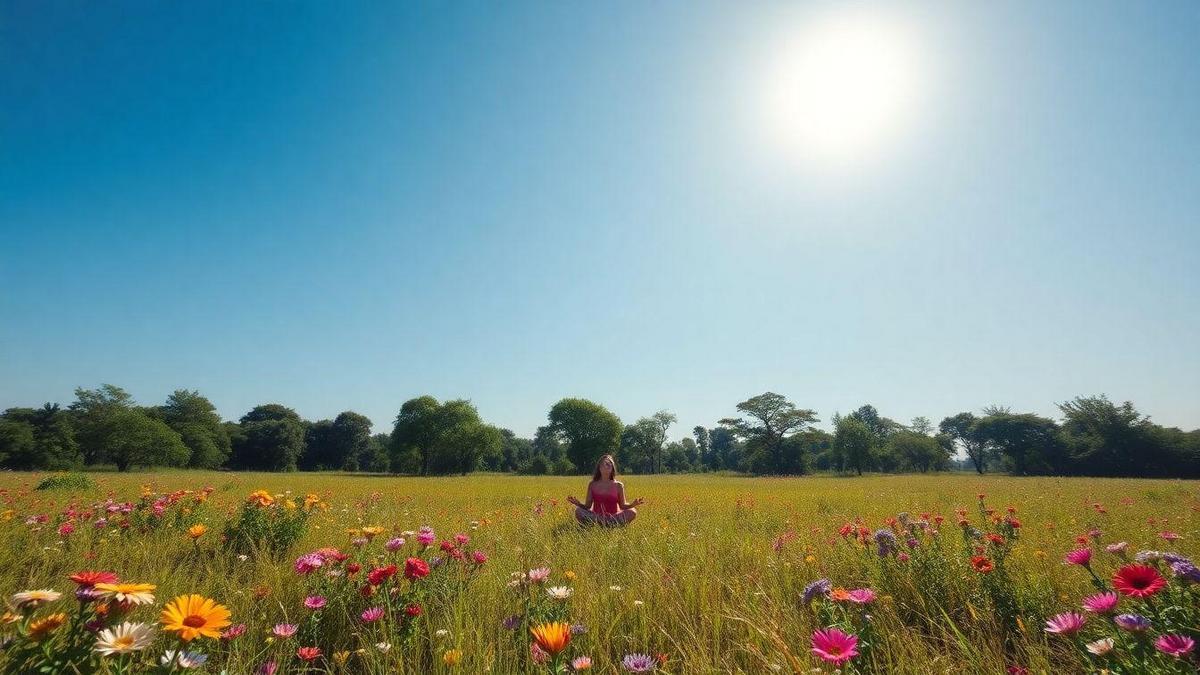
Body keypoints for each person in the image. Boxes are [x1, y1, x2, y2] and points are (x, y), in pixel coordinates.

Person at [567, 454, 643, 526]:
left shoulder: (619, 485)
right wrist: (578, 504)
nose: (607, 465)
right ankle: (607, 525)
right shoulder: (592, 484)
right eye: (604, 463)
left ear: (612, 467)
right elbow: (588, 506)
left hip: (613, 517)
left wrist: (633, 504)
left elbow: (622, 506)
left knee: (632, 511)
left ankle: (601, 524)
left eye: (609, 463)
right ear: (599, 468)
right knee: (578, 511)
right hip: (596, 517)